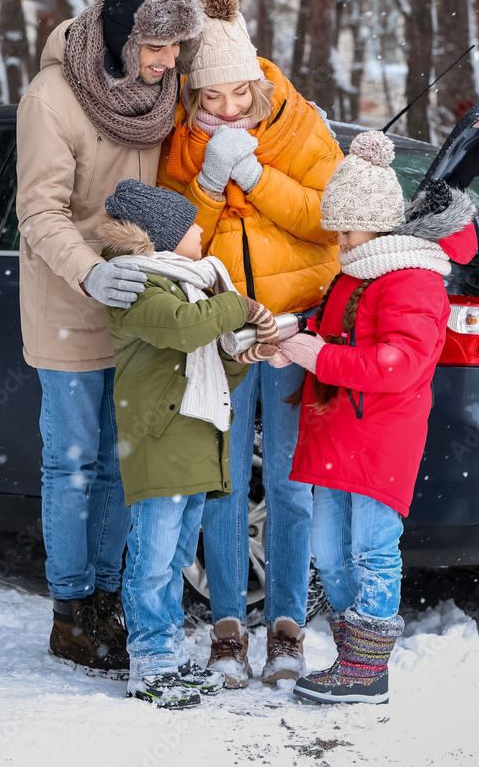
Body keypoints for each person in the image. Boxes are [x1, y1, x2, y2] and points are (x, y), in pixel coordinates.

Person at [16, 0, 203, 675]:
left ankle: (106, 596)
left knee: (120, 472)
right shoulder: (51, 100)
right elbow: (39, 212)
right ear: (124, 36)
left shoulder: (158, 96)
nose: (168, 64)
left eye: (175, 50)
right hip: (67, 302)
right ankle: (70, 613)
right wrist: (92, 269)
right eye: (158, 49)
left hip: (134, 312)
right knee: (71, 465)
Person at [156, 0, 344, 686]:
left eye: (238, 94)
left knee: (292, 485)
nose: (228, 109)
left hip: (292, 330)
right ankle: (230, 629)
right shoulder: (179, 139)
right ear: (192, 94)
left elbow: (327, 218)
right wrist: (205, 185)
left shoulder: (300, 126)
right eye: (211, 100)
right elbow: (175, 240)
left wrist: (256, 177)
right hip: (222, 333)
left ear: (255, 78)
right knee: (225, 482)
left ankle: (288, 628)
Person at [267, 131, 476, 705]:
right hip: (337, 434)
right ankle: (350, 655)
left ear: (378, 225)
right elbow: (337, 335)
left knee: (373, 550)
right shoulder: (356, 272)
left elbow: (398, 364)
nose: (338, 241)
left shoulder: (411, 278)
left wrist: (320, 355)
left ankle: (367, 669)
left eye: (346, 229)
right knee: (330, 552)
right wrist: (295, 337)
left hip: (379, 438)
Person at [96, 179, 279, 707]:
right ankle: (150, 663)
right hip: (159, 440)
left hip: (195, 438)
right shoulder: (139, 289)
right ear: (162, 237)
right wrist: (238, 305)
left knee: (175, 556)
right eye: (191, 225)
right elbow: (182, 330)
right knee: (152, 559)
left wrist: (240, 359)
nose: (201, 231)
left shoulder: (188, 288)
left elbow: (206, 366)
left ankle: (171, 656)